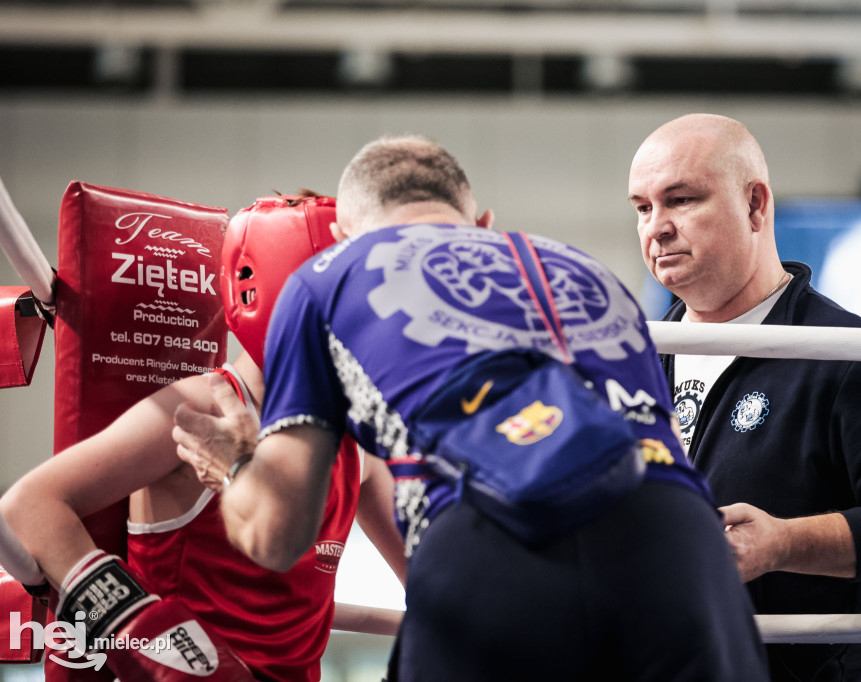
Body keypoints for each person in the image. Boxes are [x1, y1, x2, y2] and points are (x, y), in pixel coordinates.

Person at [172, 135, 770, 681]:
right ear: (482, 225)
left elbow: (277, 537)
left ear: (343, 238)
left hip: (493, 543)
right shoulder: (589, 274)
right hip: (681, 543)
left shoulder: (325, 278)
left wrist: (234, 462)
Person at [627, 113, 861, 680]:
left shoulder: (844, 354)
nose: (656, 227)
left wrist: (783, 543)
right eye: (643, 207)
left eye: (682, 200)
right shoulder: (633, 358)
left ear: (755, 205)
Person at [0, 194, 405, 681]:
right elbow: (29, 506)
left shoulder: (356, 445)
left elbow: (431, 584)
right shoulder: (196, 410)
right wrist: (146, 632)